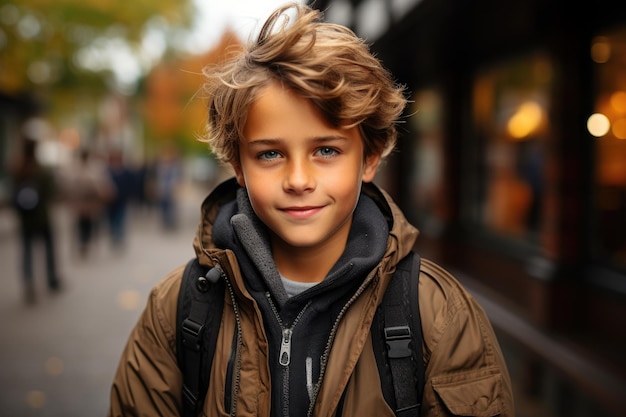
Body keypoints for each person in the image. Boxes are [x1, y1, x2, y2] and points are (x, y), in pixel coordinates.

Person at [108, 3, 514, 417]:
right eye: (269, 154)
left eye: (326, 150)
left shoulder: (438, 315)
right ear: (239, 167)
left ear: (369, 158)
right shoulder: (177, 308)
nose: (299, 180)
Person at [9, 135, 62, 303]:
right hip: (42, 218)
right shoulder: (42, 170)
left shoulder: (17, 169)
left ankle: (28, 282)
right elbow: (52, 193)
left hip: (26, 219)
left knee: (27, 251)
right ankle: (51, 280)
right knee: (49, 249)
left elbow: (12, 195)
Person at [60, 147, 115, 258]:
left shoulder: (93, 168)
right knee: (82, 224)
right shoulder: (76, 168)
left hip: (89, 201)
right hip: (81, 201)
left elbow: (101, 184)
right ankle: (83, 243)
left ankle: (86, 242)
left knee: (88, 224)